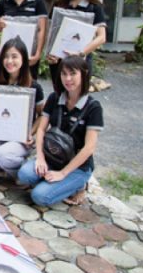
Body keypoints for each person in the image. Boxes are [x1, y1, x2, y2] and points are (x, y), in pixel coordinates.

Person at [18, 55, 103, 206]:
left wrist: (63, 173)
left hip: (77, 167)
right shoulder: (54, 98)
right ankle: (52, 182)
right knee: (24, 175)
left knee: (40, 196)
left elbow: (89, 148)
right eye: (64, 74)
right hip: (53, 157)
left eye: (73, 73)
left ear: (84, 74)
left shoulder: (93, 107)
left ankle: (79, 185)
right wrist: (40, 158)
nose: (68, 79)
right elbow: (42, 129)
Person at [0, 38, 45, 178]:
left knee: (3, 154)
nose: (9, 61)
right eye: (6, 57)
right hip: (0, 132)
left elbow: (43, 115)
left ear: (24, 59)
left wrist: (30, 134)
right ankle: (4, 169)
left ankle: (19, 173)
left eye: (14, 57)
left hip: (20, 138)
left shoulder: (33, 86)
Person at [48, 0, 107, 84]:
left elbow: (101, 37)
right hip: (58, 62)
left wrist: (81, 53)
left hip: (81, 62)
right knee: (60, 96)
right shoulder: (59, 5)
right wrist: (50, 54)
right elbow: (51, 32)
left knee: (78, 98)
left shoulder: (94, 7)